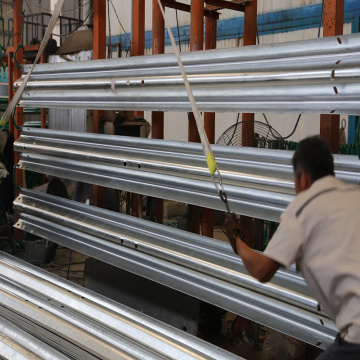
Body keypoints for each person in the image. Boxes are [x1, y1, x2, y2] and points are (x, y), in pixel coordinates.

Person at [226, 136, 360, 359]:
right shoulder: (354, 195)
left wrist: (236, 239)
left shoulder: (304, 206)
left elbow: (262, 270)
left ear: (303, 176)